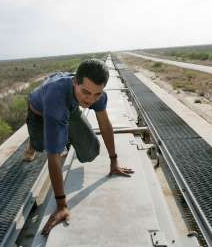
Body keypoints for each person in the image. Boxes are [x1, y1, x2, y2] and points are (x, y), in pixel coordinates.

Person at [23, 58, 135, 236]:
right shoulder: (56, 97)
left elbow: (105, 125)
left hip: (71, 106)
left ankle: (62, 131)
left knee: (91, 151)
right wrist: (61, 205)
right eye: (86, 92)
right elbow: (54, 156)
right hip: (40, 112)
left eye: (97, 94)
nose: (91, 99)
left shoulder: (94, 94)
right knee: (42, 145)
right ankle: (32, 143)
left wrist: (114, 162)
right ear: (75, 82)